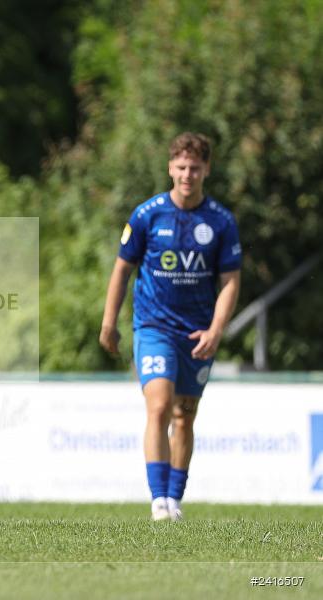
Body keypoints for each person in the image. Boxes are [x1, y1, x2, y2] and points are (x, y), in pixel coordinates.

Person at [99, 132, 241, 521]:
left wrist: (215, 330)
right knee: (159, 406)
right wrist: (109, 322)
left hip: (197, 333)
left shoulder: (220, 221)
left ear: (206, 170)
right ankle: (158, 500)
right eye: (181, 167)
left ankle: (175, 499)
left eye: (195, 168)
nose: (188, 174)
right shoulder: (148, 215)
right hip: (154, 326)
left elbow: (230, 281)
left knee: (185, 414)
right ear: (170, 168)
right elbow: (122, 270)